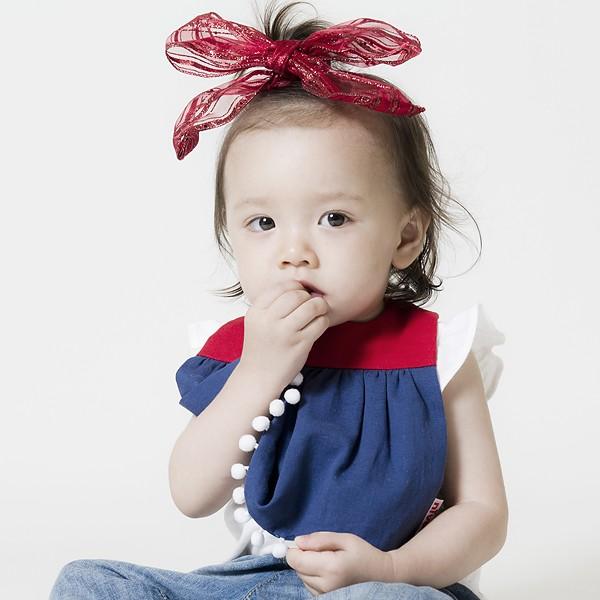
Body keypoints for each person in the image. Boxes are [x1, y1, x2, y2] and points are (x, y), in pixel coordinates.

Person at [49, 1, 508, 598]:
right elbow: (191, 494)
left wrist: (390, 568)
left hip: (388, 579)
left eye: (333, 218)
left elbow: (483, 515)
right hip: (259, 581)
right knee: (87, 581)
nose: (295, 252)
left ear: (404, 237)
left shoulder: (437, 353)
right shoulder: (238, 351)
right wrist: (260, 368)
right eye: (263, 223)